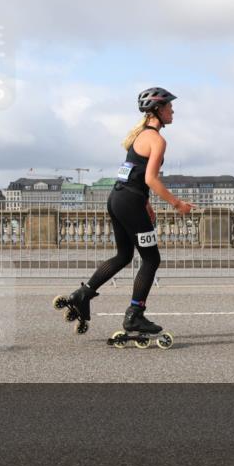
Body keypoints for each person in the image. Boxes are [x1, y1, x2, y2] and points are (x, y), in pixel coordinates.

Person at [62, 86, 193, 335]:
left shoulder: (139, 136)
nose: (173, 111)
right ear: (157, 109)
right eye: (170, 107)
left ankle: (83, 294)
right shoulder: (157, 140)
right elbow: (151, 178)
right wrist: (177, 204)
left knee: (124, 255)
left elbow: (132, 174)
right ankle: (135, 314)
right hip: (130, 202)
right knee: (151, 259)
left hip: (118, 198)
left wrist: (146, 203)